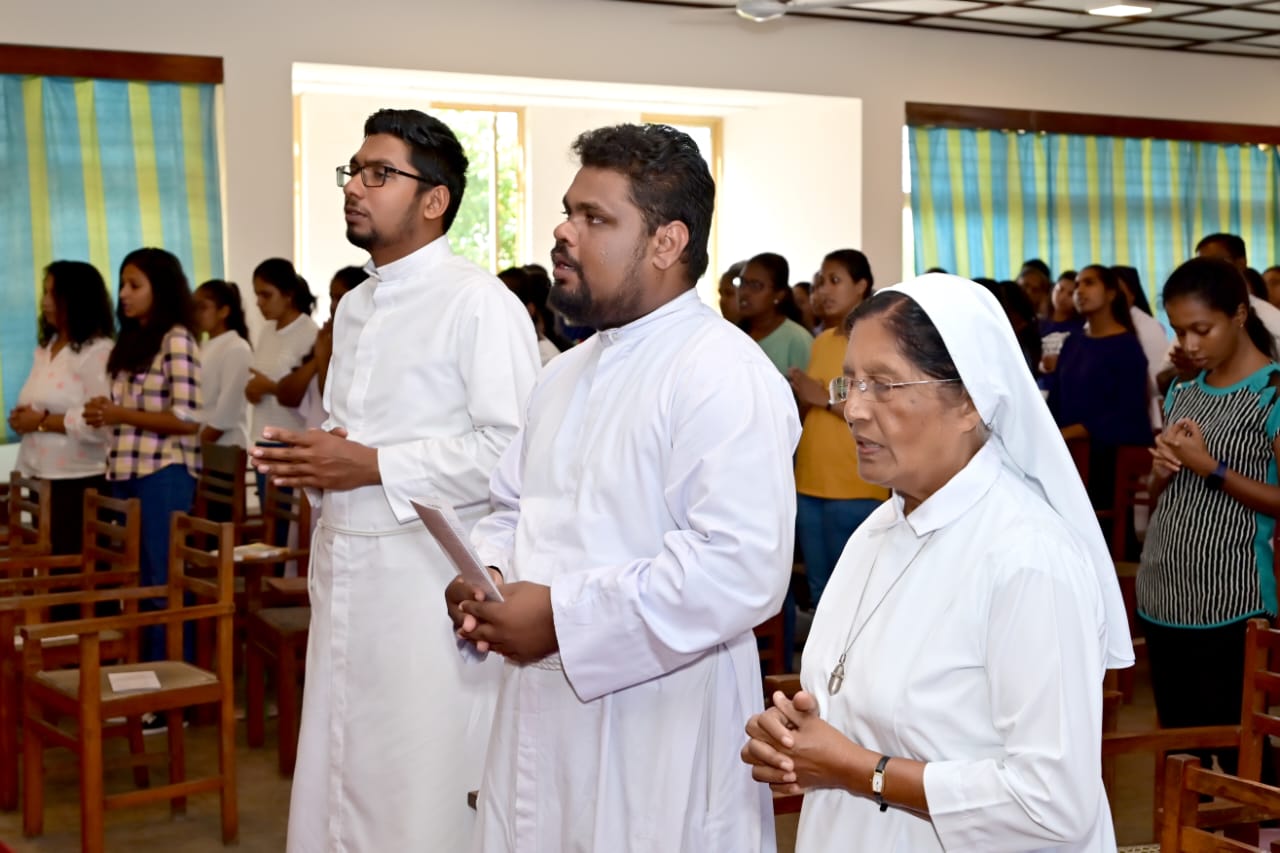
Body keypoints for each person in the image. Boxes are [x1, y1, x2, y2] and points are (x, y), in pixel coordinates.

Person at [449, 123, 800, 852]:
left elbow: (741, 569)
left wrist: (562, 618)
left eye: (594, 218)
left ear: (667, 243)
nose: (562, 231)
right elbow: (514, 506)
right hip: (537, 707)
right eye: (568, 211)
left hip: (658, 719)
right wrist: (485, 576)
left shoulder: (722, 372)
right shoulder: (563, 374)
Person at [741, 273, 1133, 852]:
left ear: (970, 401)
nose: (852, 409)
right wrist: (793, 736)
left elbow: (1054, 802)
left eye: (883, 384)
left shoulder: (1028, 557)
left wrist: (858, 769)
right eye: (850, 382)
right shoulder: (879, 528)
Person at [253, 108, 539, 852]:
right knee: (339, 766)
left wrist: (374, 463)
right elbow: (358, 435)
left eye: (379, 173)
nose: (355, 186)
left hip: (427, 585)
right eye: (353, 170)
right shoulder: (354, 307)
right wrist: (320, 456)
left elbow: (513, 452)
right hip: (348, 570)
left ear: (434, 198)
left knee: (418, 783)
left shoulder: (479, 301)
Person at [1138, 258, 1280, 771]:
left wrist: (1211, 467)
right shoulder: (1184, 390)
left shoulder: (1272, 393)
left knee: (1240, 749)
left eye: (1202, 328)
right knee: (1182, 746)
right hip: (1163, 590)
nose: (1190, 344)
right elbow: (1159, 500)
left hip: (1232, 598)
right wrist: (1163, 470)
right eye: (1179, 330)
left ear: (1240, 314)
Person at [83, 248, 202, 662]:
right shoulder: (132, 340)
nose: (123, 294)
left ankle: (172, 682)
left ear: (162, 288)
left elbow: (188, 417)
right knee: (134, 578)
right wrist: (105, 411)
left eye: (135, 285)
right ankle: (141, 674)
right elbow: (130, 410)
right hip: (126, 470)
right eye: (122, 285)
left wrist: (120, 412)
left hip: (163, 472)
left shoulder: (177, 338)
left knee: (162, 580)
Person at [787, 249, 888, 609]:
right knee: (819, 593)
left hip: (854, 484)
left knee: (856, 595)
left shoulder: (879, 339)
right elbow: (816, 399)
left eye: (835, 280)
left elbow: (879, 404)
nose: (823, 290)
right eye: (820, 281)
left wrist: (823, 399)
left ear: (861, 286)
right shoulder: (821, 341)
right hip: (810, 479)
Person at [8, 261, 114, 555]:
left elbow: (101, 421)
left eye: (53, 294)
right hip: (40, 473)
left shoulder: (97, 351)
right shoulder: (48, 347)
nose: (44, 302)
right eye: (45, 292)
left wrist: (41, 421)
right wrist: (21, 418)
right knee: (46, 564)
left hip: (77, 480)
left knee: (72, 568)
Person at [1041, 265, 1153, 509]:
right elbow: (1056, 402)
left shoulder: (1126, 347)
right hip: (1066, 455)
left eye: (1089, 283)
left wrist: (1077, 431)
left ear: (1111, 293)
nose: (1079, 291)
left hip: (1106, 460)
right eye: (1077, 285)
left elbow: (1127, 415)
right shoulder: (1073, 343)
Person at [244, 258, 318, 496]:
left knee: (285, 526)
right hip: (261, 436)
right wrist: (253, 389)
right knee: (269, 521)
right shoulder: (266, 332)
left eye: (266, 295)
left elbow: (306, 393)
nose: (259, 303)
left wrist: (268, 386)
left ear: (288, 295)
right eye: (257, 295)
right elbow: (255, 381)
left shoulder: (308, 332)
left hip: (290, 440)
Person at [275, 266, 365, 430]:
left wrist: (323, 357)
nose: (334, 305)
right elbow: (285, 395)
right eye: (332, 297)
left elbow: (333, 403)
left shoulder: (365, 345)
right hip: (313, 439)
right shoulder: (327, 339)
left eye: (341, 298)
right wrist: (319, 356)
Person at [193, 279, 253, 449]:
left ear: (224, 311)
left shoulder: (236, 348)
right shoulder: (203, 347)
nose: (196, 313)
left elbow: (227, 411)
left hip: (224, 447)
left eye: (203, 307)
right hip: (202, 444)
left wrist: (197, 447)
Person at [738, 251, 813, 376]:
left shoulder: (798, 339)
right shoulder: (735, 332)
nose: (744, 292)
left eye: (756, 286)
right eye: (742, 283)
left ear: (779, 295)